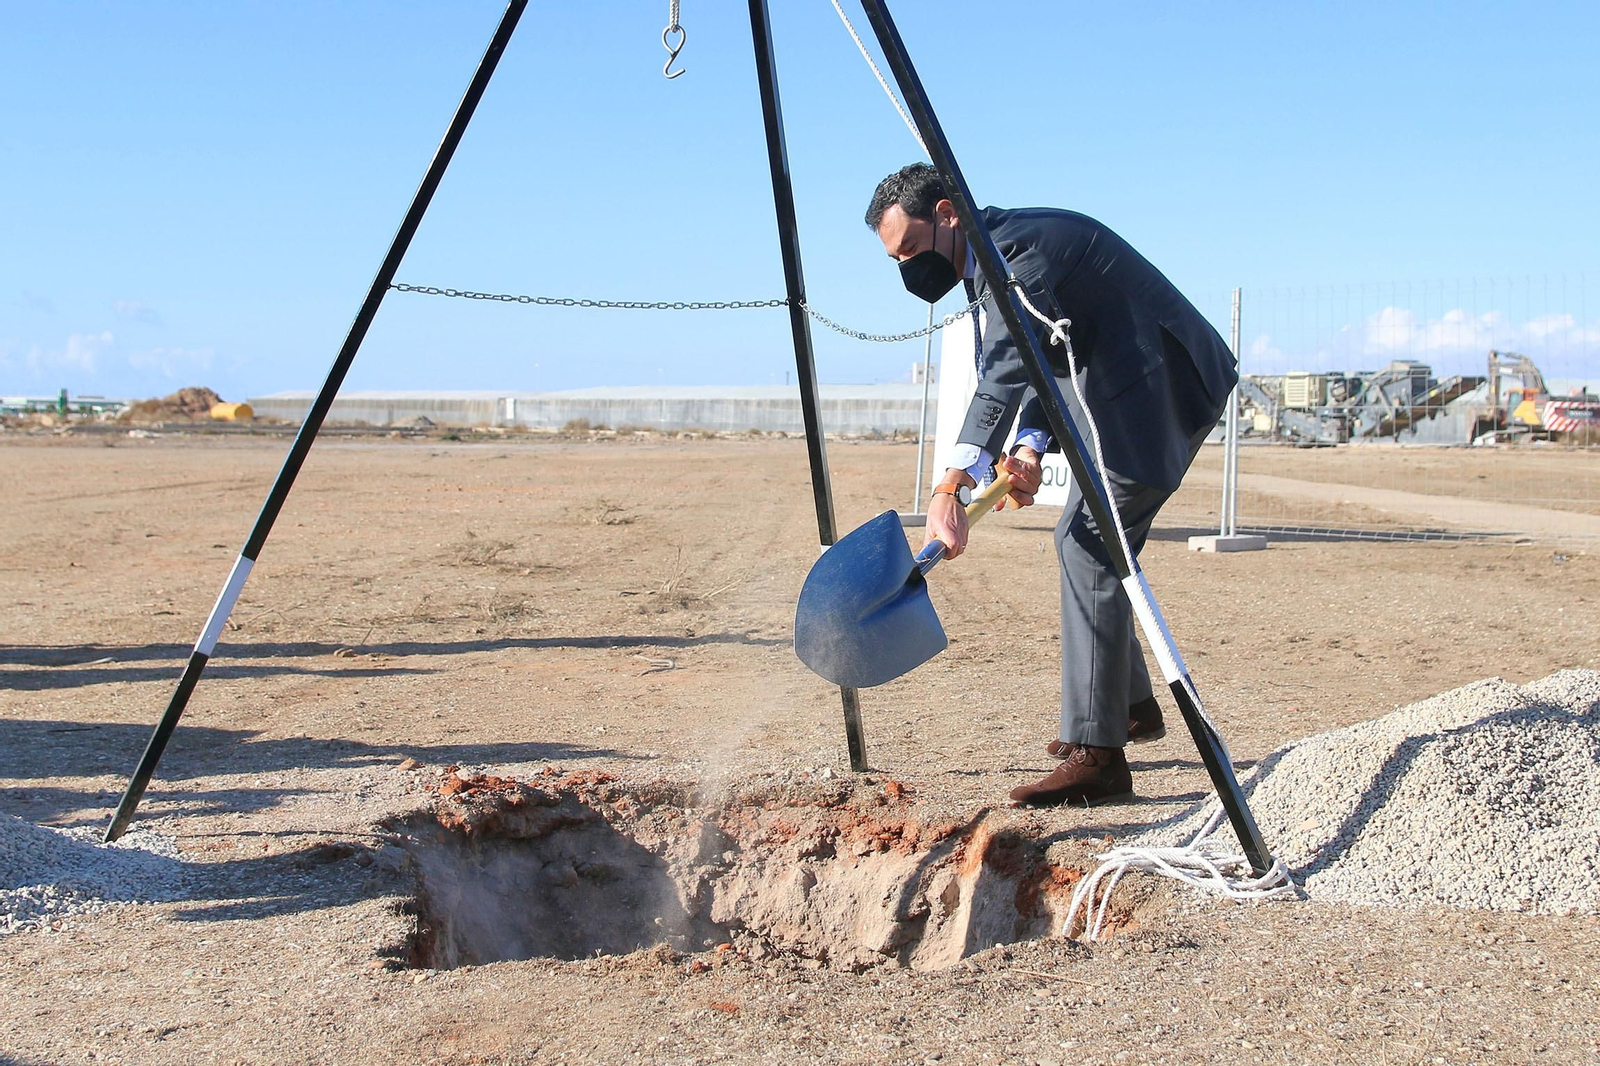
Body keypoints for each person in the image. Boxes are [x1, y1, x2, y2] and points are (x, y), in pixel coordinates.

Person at [864, 163, 1237, 807]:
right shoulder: (995, 254)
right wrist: (1029, 446)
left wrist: (951, 486)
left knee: (1089, 543)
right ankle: (1128, 707)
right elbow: (1046, 352)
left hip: (1157, 387)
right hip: (1125, 387)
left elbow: (1008, 365)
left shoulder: (1016, 255)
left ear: (948, 213)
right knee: (1089, 543)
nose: (909, 270)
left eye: (912, 249)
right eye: (896, 259)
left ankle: (1099, 757)